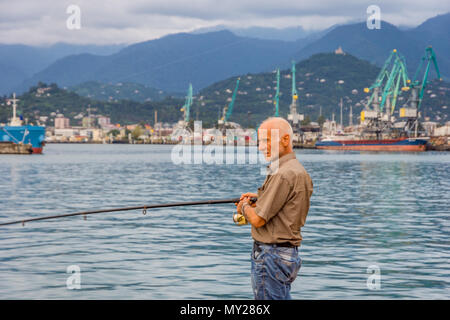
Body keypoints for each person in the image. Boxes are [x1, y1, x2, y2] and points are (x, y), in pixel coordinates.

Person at [235, 117, 313, 300]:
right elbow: (287, 206)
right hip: (287, 255)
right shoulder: (298, 170)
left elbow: (257, 219)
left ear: (285, 140)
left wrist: (244, 206)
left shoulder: (282, 174)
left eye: (267, 140)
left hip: (271, 256)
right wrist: (259, 197)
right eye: (260, 142)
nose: (261, 147)